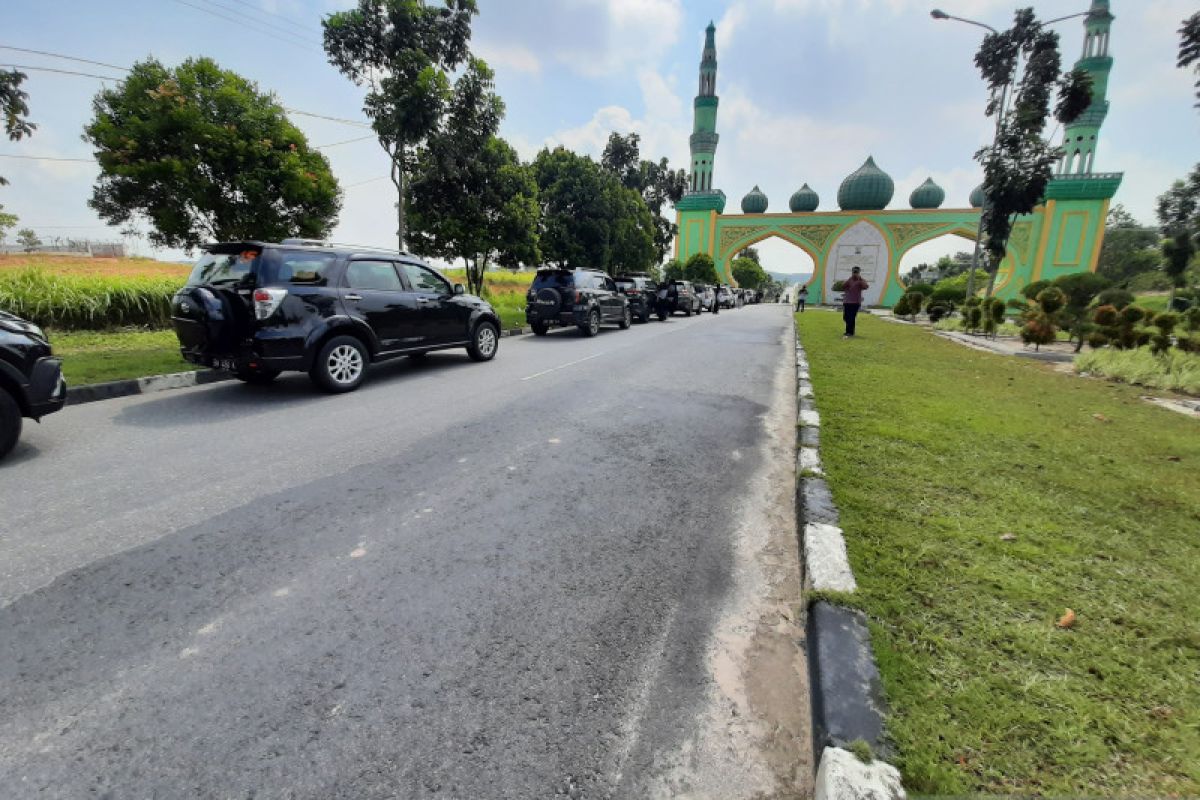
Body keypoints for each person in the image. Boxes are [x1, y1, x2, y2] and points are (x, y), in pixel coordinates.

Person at [841, 267, 868, 338]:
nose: (855, 274)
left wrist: (860, 279)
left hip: (855, 302)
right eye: (854, 272)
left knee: (851, 317)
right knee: (846, 317)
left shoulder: (861, 281)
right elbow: (843, 286)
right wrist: (848, 280)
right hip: (847, 301)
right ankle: (849, 331)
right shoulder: (849, 280)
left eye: (856, 272)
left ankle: (849, 332)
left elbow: (866, 286)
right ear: (852, 272)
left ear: (859, 273)